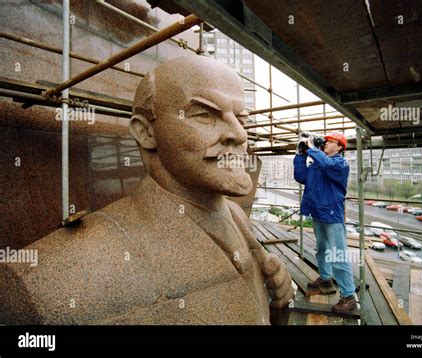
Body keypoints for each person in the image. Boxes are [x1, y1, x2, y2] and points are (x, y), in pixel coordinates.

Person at [0, 55, 293, 324]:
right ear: (146, 132)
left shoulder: (234, 214)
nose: (240, 134)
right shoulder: (50, 280)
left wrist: (276, 299)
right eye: (205, 114)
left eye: (241, 119)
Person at [293, 132, 356, 314]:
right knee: (321, 248)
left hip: (332, 214)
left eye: (331, 142)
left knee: (337, 254)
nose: (327, 144)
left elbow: (327, 163)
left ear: (340, 147)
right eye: (326, 142)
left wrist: (313, 148)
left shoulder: (340, 164)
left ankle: (348, 296)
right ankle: (326, 277)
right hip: (318, 212)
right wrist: (300, 155)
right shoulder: (318, 164)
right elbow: (301, 177)